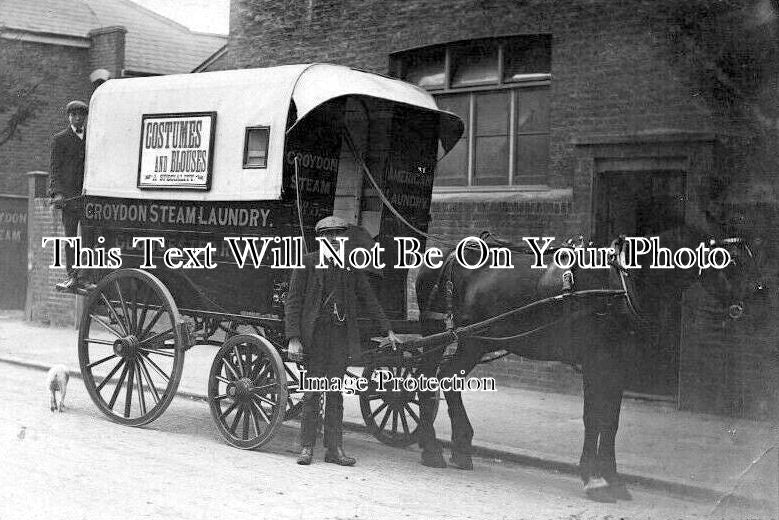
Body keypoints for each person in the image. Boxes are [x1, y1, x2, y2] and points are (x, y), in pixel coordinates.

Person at [285, 216, 399, 466]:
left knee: (335, 393)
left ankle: (334, 449)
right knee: (313, 391)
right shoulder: (308, 263)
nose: (334, 240)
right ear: (321, 239)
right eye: (329, 236)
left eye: (338, 235)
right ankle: (306, 447)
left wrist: (387, 329)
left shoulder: (350, 266)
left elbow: (369, 299)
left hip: (339, 337)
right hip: (314, 337)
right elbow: (293, 302)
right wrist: (293, 338)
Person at [49, 100, 94, 292]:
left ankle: (85, 277)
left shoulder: (91, 138)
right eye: (74, 115)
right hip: (68, 199)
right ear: (69, 117)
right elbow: (54, 169)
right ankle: (71, 276)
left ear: (85, 118)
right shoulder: (60, 139)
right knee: (70, 238)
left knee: (89, 238)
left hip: (86, 198)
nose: (78, 118)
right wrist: (57, 193)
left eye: (81, 115)